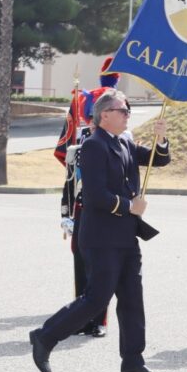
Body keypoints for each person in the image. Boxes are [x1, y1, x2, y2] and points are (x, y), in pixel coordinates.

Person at [29, 90, 171, 372]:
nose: (128, 115)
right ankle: (45, 336)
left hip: (126, 236)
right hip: (101, 237)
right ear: (105, 114)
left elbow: (157, 160)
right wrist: (130, 206)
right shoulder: (94, 145)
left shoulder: (124, 142)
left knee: (132, 299)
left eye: (128, 110)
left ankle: (132, 362)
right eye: (123, 110)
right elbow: (95, 195)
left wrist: (162, 139)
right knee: (96, 299)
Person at [60, 116, 108, 337]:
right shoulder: (77, 150)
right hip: (80, 211)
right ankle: (81, 319)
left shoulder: (110, 146)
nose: (92, 125)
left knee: (99, 268)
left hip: (101, 213)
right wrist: (65, 214)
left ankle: (99, 320)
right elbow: (69, 183)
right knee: (80, 265)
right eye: (90, 121)